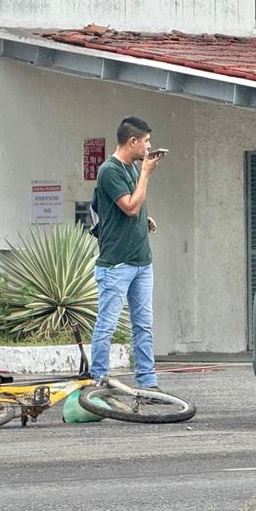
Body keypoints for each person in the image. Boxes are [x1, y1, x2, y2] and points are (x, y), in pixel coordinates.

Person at [90, 116, 163, 389]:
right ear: (132, 141)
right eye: (145, 141)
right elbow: (129, 206)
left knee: (143, 324)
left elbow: (135, 209)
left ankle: (147, 379)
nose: (148, 146)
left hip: (142, 260)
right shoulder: (110, 171)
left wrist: (146, 219)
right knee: (107, 324)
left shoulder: (132, 168)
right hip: (116, 263)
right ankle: (97, 379)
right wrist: (145, 173)